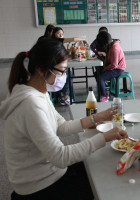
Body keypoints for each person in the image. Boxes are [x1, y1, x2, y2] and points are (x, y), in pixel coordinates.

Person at [0, 39, 128, 200]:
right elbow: (61, 157)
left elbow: (61, 126)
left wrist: (99, 117)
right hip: (39, 186)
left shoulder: (38, 92)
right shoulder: (29, 105)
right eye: (60, 71)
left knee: (95, 168)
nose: (63, 77)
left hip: (48, 173)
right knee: (102, 183)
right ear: (41, 70)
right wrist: (104, 137)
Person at [51, 27, 88, 105]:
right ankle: (65, 96)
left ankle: (64, 95)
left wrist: (75, 46)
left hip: (57, 67)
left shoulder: (59, 44)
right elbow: (73, 38)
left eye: (62, 33)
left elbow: (66, 54)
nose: (61, 35)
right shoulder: (56, 41)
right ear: (54, 34)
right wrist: (83, 40)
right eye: (58, 33)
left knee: (69, 74)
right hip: (54, 69)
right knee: (69, 74)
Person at [96, 31, 126, 102]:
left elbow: (114, 65)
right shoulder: (111, 45)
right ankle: (103, 92)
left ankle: (104, 96)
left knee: (101, 78)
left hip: (118, 69)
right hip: (114, 67)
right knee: (97, 74)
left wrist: (105, 68)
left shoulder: (114, 48)